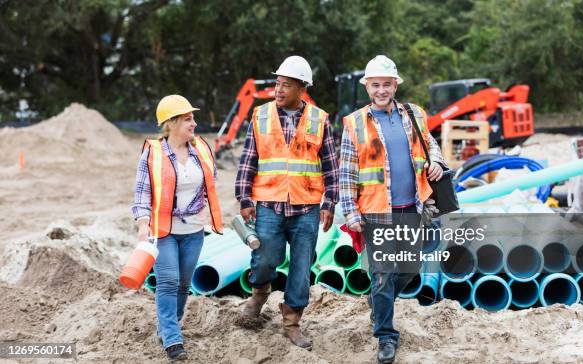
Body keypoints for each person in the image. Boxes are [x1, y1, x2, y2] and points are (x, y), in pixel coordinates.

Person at [339, 55, 447, 364]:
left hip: (413, 206)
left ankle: (378, 302)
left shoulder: (414, 114)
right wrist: (351, 212)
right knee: (384, 275)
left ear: (395, 85)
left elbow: (429, 144)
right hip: (375, 210)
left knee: (410, 268)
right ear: (367, 87)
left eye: (387, 84)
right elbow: (347, 172)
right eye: (376, 85)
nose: (382, 90)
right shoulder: (355, 122)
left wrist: (436, 161)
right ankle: (385, 335)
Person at [235, 56, 339, 350]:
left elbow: (331, 166)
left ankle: (292, 320)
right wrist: (244, 197)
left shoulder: (319, 120)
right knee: (266, 257)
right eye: (278, 83)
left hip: (306, 206)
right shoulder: (261, 115)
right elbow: (248, 159)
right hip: (269, 203)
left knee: (301, 267)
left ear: (301, 89)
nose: (279, 90)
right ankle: (260, 292)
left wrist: (329, 203)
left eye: (286, 85)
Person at [132, 95, 223, 361]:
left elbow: (211, 180)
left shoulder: (202, 149)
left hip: (194, 231)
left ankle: (167, 325)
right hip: (163, 231)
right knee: (169, 281)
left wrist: (196, 204)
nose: (194, 123)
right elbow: (142, 192)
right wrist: (142, 224)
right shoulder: (153, 152)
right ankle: (172, 339)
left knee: (184, 284)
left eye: (193, 118)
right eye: (187, 119)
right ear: (171, 123)